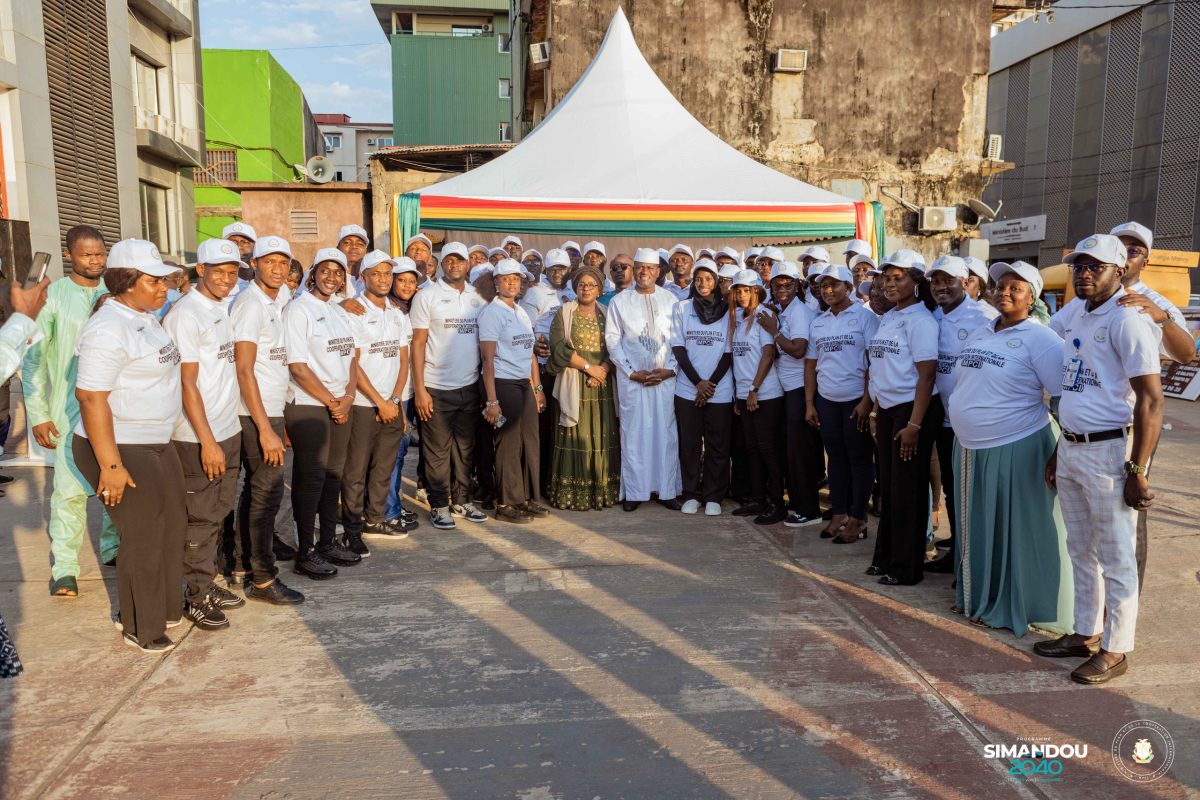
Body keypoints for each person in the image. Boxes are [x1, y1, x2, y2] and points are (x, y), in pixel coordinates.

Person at [1035, 234, 1163, 685]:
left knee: (1116, 555)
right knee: (1080, 549)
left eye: (1095, 267)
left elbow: (1150, 400)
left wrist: (1137, 470)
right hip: (1072, 446)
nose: (1084, 274)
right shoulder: (1079, 316)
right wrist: (1059, 448)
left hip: (1110, 451)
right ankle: (1086, 632)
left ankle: (1116, 648)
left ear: (1119, 271)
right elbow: (1075, 391)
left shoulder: (1128, 321)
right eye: (1079, 267)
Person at [949, 261, 1072, 636]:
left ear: (1031, 297)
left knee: (1015, 531)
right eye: (1000, 286)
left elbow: (1062, 399)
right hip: (970, 447)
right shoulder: (983, 330)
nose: (1004, 292)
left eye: (1015, 288)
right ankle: (979, 595)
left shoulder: (1043, 339)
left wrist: (1060, 451)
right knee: (977, 526)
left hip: (1016, 445)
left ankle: (1015, 603)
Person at [73, 239, 184, 653]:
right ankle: (142, 625)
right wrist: (111, 465)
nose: (164, 288)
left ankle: (164, 606)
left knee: (172, 523)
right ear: (127, 281)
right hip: (121, 446)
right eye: (154, 281)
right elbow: (90, 398)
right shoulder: (108, 328)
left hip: (155, 440)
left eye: (165, 280)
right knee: (143, 535)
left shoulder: (144, 316)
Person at [22, 226, 120, 596]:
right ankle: (64, 568)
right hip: (68, 411)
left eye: (100, 253)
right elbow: (33, 362)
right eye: (87, 254)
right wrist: (39, 414)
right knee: (68, 492)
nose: (95, 260)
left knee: (115, 483)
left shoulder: (118, 294)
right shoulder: (54, 297)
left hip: (115, 410)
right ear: (69, 256)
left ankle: (113, 548)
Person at [163, 238, 247, 630]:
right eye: (220, 272)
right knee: (198, 517)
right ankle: (194, 596)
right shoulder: (186, 315)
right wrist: (208, 440)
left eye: (233, 273)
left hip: (227, 428)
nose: (228, 279)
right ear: (201, 270)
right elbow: (187, 384)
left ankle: (206, 581)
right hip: (199, 437)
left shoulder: (221, 308)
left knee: (217, 513)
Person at [229, 235, 304, 605]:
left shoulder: (283, 298)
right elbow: (244, 370)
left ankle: (243, 565)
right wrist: (264, 429)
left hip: (274, 408)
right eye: (269, 262)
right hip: (255, 413)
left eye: (283, 263)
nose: (277, 269)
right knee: (266, 494)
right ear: (253, 264)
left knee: (258, 492)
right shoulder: (249, 304)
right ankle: (262, 578)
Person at [283, 248, 362, 579]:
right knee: (311, 479)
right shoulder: (298, 310)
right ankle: (306, 551)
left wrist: (348, 395)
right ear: (312, 273)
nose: (333, 278)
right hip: (309, 405)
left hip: (340, 402)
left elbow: (353, 357)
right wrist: (333, 401)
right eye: (325, 271)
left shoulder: (338, 311)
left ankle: (328, 542)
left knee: (334, 477)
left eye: (339, 272)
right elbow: (298, 367)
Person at [867, 250, 943, 586]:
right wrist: (872, 408)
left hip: (911, 411)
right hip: (887, 409)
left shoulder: (921, 320)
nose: (889, 283)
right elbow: (880, 366)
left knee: (907, 490)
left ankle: (906, 567)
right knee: (890, 486)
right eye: (886, 277)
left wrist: (913, 425)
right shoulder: (889, 317)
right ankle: (886, 557)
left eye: (898, 277)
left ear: (916, 281)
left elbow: (927, 376)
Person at [410, 242, 489, 530]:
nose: (455, 265)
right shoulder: (427, 296)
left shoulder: (478, 297)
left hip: (469, 385)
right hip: (435, 387)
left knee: (465, 449)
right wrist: (420, 389)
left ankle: (462, 500)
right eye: (449, 260)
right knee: (437, 452)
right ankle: (440, 504)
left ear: (468, 264)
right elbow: (417, 344)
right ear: (442, 263)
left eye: (460, 260)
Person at [340, 250, 414, 555]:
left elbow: (404, 360)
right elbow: (352, 365)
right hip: (362, 404)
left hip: (392, 403)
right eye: (376, 274)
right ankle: (352, 529)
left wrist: (394, 400)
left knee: (384, 467)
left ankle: (375, 518)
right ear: (363, 278)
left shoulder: (397, 315)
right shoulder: (352, 312)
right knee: (356, 470)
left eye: (387, 274)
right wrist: (379, 401)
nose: (383, 279)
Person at [925, 255, 993, 572]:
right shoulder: (932, 316)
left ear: (965, 283)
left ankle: (974, 559)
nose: (941, 287)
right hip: (943, 418)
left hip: (975, 421)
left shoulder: (984, 317)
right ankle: (958, 555)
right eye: (936, 281)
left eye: (948, 280)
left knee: (972, 493)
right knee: (952, 490)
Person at [805, 264, 880, 543]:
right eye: (824, 286)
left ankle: (858, 518)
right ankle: (838, 514)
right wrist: (810, 403)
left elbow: (874, 362)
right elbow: (811, 364)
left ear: (848, 287)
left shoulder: (865, 318)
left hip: (855, 401)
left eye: (834, 285)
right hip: (827, 399)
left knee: (859, 459)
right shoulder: (819, 322)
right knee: (835, 458)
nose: (828, 290)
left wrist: (866, 401)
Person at [605, 248, 682, 512]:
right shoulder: (619, 301)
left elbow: (679, 341)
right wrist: (630, 371)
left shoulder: (671, 300)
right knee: (634, 435)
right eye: (639, 267)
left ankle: (667, 489)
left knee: (666, 435)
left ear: (658, 272)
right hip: (633, 381)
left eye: (650, 268)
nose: (644, 272)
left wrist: (670, 370)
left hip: (665, 380)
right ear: (634, 269)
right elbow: (613, 341)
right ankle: (635, 492)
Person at [479, 259, 548, 522]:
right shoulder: (492, 313)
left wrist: (537, 387)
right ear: (496, 282)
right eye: (506, 278)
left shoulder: (520, 311)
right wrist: (492, 400)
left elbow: (530, 352)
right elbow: (487, 360)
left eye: (516, 279)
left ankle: (528, 498)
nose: (511, 283)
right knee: (508, 443)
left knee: (530, 441)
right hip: (504, 384)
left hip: (524, 384)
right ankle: (506, 504)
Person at [546, 266, 620, 509]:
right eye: (581, 284)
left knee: (601, 436)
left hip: (602, 385)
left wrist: (603, 371)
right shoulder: (565, 313)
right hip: (574, 381)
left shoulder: (608, 313)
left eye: (591, 285)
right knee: (575, 434)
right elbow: (558, 348)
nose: (586, 288)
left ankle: (601, 492)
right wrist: (589, 368)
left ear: (600, 290)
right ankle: (572, 494)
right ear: (575, 287)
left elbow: (617, 348)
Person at [757, 261, 823, 527]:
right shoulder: (784, 310)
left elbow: (798, 349)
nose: (782, 289)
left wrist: (774, 331)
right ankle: (798, 503)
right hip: (786, 389)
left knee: (800, 453)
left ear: (799, 286)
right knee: (791, 451)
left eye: (788, 284)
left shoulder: (800, 313)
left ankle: (810, 509)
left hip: (799, 389)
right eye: (777, 284)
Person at [670, 259, 733, 516]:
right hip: (687, 389)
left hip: (720, 390)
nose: (703, 284)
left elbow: (728, 353)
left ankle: (714, 495)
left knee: (718, 444)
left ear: (716, 282)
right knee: (690, 444)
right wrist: (697, 383)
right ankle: (692, 494)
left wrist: (710, 385)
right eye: (699, 279)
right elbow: (678, 348)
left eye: (708, 279)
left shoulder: (728, 310)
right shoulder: (682, 308)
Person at [728, 269, 786, 525]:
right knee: (751, 449)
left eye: (746, 290)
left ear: (756, 291)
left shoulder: (764, 314)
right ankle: (758, 498)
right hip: (744, 393)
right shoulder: (739, 318)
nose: (741, 295)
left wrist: (754, 389)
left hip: (765, 393)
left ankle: (777, 503)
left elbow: (768, 354)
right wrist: (739, 395)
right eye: (738, 290)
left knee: (767, 449)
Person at [382, 257, 423, 530]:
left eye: (411, 280)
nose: (407, 285)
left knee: (400, 451)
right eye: (402, 280)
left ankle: (392, 505)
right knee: (392, 453)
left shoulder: (414, 308)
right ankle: (388, 512)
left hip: (408, 391)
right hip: (389, 392)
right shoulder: (382, 308)